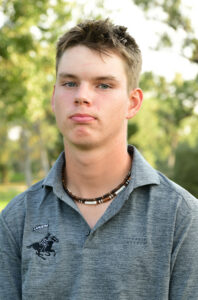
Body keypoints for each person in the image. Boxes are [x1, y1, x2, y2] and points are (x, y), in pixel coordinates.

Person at [0, 19, 198, 300]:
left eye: (103, 85)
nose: (82, 96)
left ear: (133, 103)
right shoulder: (16, 219)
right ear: (54, 97)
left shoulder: (183, 217)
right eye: (69, 83)